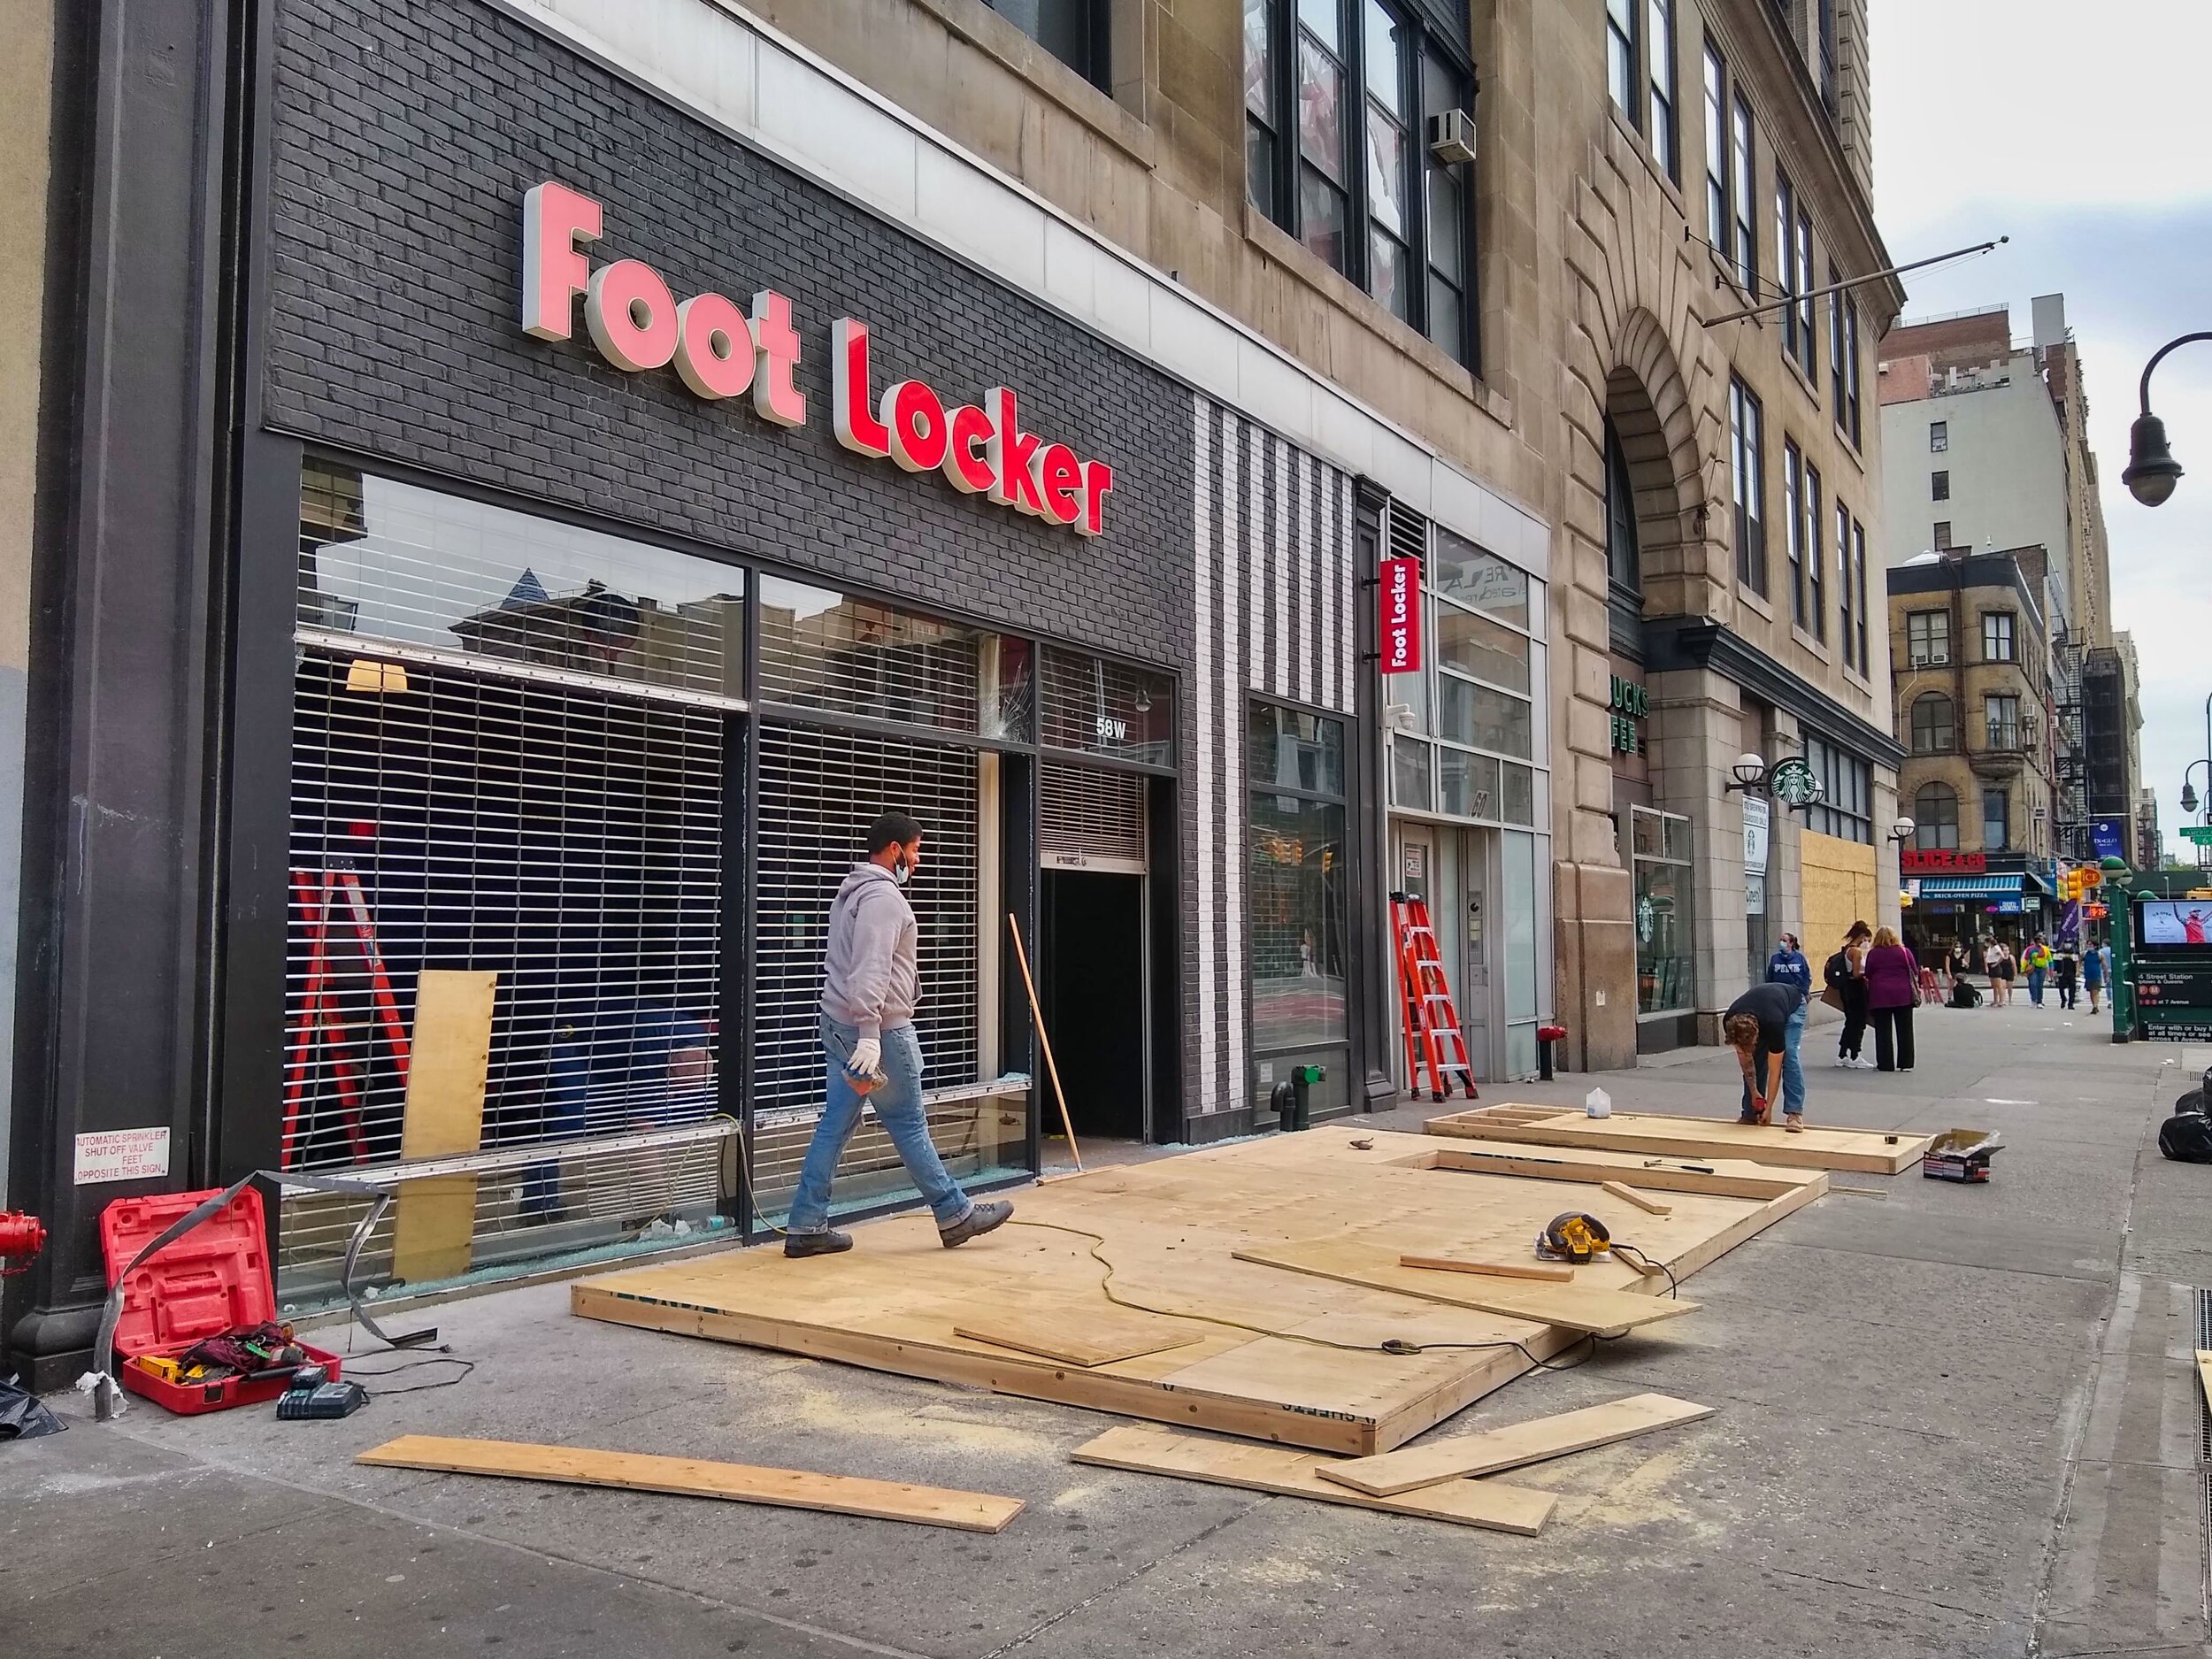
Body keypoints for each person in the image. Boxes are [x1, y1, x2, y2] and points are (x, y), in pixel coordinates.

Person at [784, 810, 1013, 1257]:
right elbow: (871, 968)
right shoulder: (883, 899)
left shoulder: (851, 893)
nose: (918, 860)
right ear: (895, 850)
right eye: (916, 850)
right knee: (908, 1122)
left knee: (836, 1123)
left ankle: (807, 1224)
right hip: (878, 1034)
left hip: (841, 1025)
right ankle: (955, 1213)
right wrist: (870, 1033)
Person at [1724, 979, 1806, 1131]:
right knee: (1755, 1058)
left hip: (1793, 1004)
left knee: (1789, 1053)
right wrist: (1755, 1092)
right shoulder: (1731, 1022)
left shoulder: (1773, 1024)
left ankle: (1794, 1113)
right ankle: (1751, 1112)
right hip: (1766, 1005)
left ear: (1757, 1035)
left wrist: (1769, 1109)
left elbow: (1775, 1071)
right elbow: (1745, 1060)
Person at [1863, 925, 1921, 1072]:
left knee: (1883, 1031)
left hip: (1880, 995)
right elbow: (1914, 971)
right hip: (1903, 995)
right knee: (1905, 1030)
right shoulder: (1904, 952)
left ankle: (1885, 1063)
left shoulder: (1873, 954)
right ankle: (1906, 1063)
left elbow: (1868, 973)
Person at [1824, 921, 1872, 1069]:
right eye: (1868, 940)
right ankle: (1855, 1055)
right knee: (1859, 1022)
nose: (1868, 943)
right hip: (1856, 989)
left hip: (1846, 989)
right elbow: (1856, 973)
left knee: (1850, 1021)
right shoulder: (1856, 952)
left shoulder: (1846, 949)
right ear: (1863, 936)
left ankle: (1843, 1054)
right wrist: (1869, 972)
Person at [2024, 935, 2052, 1008]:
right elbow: (2025, 959)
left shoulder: (2045, 949)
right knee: (2033, 984)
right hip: (2033, 968)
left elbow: (2050, 959)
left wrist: (2051, 969)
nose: (2041, 942)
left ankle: (2039, 1001)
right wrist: (2023, 969)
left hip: (2042, 968)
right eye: (2040, 940)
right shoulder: (2030, 949)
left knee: (2040, 985)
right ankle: (2034, 1000)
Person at [1985, 939, 2013, 1008]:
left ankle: (2001, 1001)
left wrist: (1996, 964)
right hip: (1990, 965)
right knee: (1994, 985)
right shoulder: (1990, 948)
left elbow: (2002, 956)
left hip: (1995, 966)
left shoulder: (1996, 948)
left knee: (1998, 984)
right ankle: (1995, 1000)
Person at [2052, 941, 2079, 1010]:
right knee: (2061, 987)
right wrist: (2054, 971)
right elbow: (2055, 961)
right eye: (2066, 943)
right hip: (2062, 972)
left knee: (2072, 988)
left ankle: (2071, 1004)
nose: (2068, 945)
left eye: (2069, 943)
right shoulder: (2059, 952)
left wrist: (2077, 971)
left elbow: (2077, 962)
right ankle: (2063, 999)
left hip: (2071, 972)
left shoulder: (2074, 951)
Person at [2084, 933, 2107, 1013]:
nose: (2089, 946)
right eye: (2088, 944)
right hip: (2088, 975)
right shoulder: (2085, 954)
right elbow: (2079, 962)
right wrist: (2077, 971)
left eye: (2090, 944)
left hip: (2096, 975)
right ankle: (2094, 1005)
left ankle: (2095, 1006)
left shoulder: (2100, 954)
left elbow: (2104, 965)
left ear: (2095, 946)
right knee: (2091, 992)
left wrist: (2106, 975)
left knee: (2095, 991)